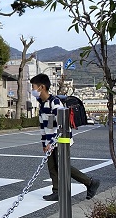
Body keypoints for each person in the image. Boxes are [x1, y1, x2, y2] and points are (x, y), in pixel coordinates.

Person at [30, 73, 100, 201]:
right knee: (52, 165)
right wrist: (45, 143)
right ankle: (57, 191)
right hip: (51, 141)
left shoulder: (54, 102)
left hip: (61, 139)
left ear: (41, 87)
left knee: (62, 165)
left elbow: (60, 124)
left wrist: (51, 142)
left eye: (33, 87)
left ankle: (90, 182)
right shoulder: (43, 104)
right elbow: (46, 127)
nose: (32, 90)